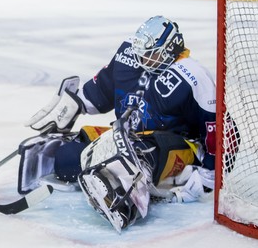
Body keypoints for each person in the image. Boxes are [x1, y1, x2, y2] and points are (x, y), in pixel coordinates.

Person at [18, 16, 216, 231]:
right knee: (66, 161)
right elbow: (102, 90)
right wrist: (74, 105)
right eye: (142, 53)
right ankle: (105, 172)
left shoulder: (194, 77)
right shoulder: (129, 54)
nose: (144, 60)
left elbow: (221, 131)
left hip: (175, 146)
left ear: (171, 49)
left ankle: (126, 195)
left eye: (151, 54)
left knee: (133, 160)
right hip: (126, 137)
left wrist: (208, 177)